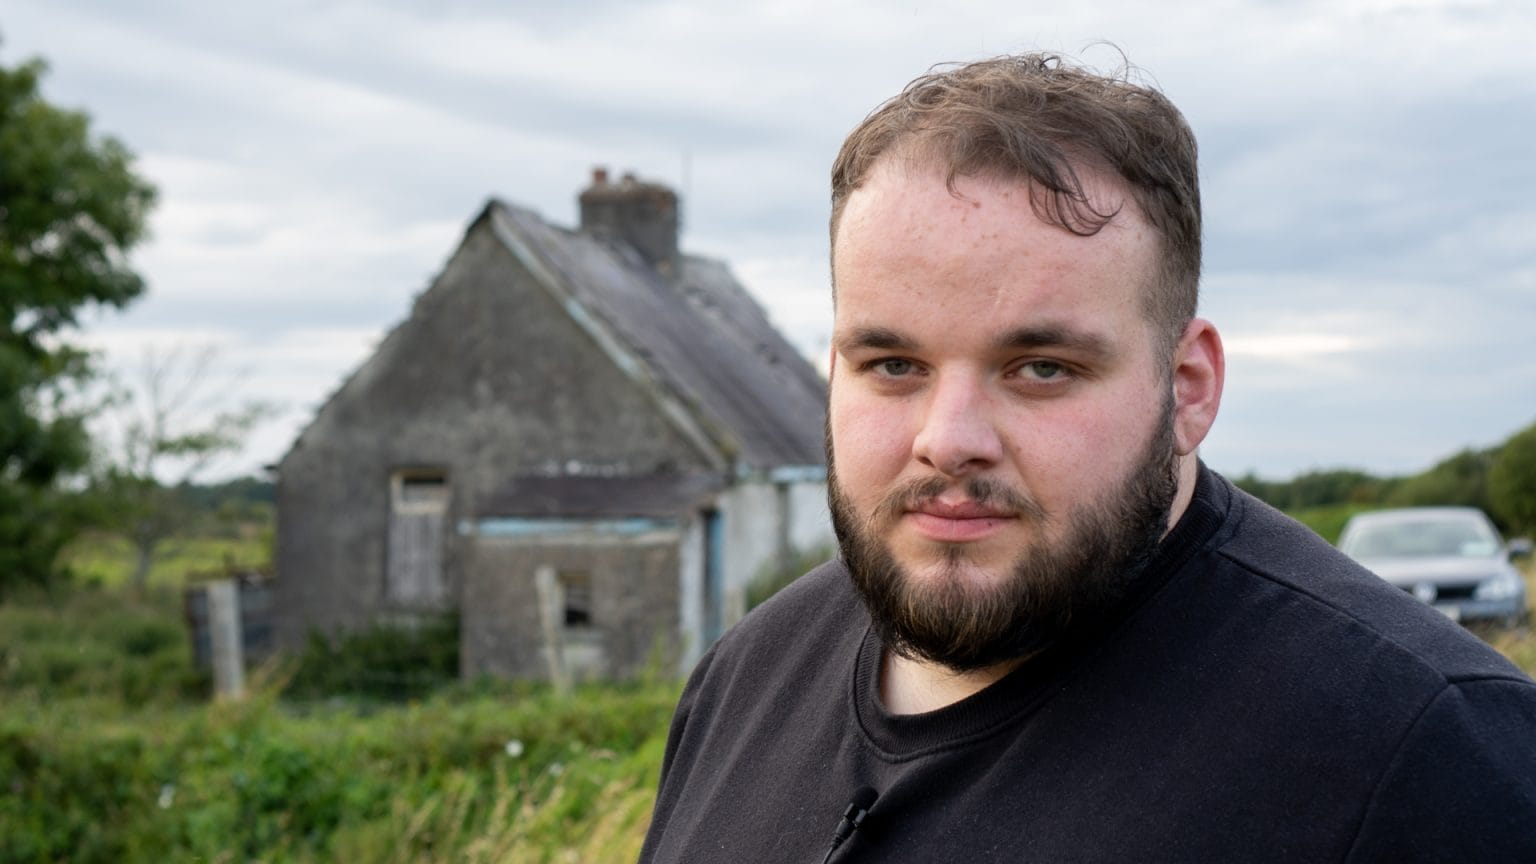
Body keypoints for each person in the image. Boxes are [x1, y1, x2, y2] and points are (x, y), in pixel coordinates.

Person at [638, 52, 1536, 863]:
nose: (947, 438)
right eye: (895, 365)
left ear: (1188, 388)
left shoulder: (1425, 750)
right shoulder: (744, 677)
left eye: (1041, 368)